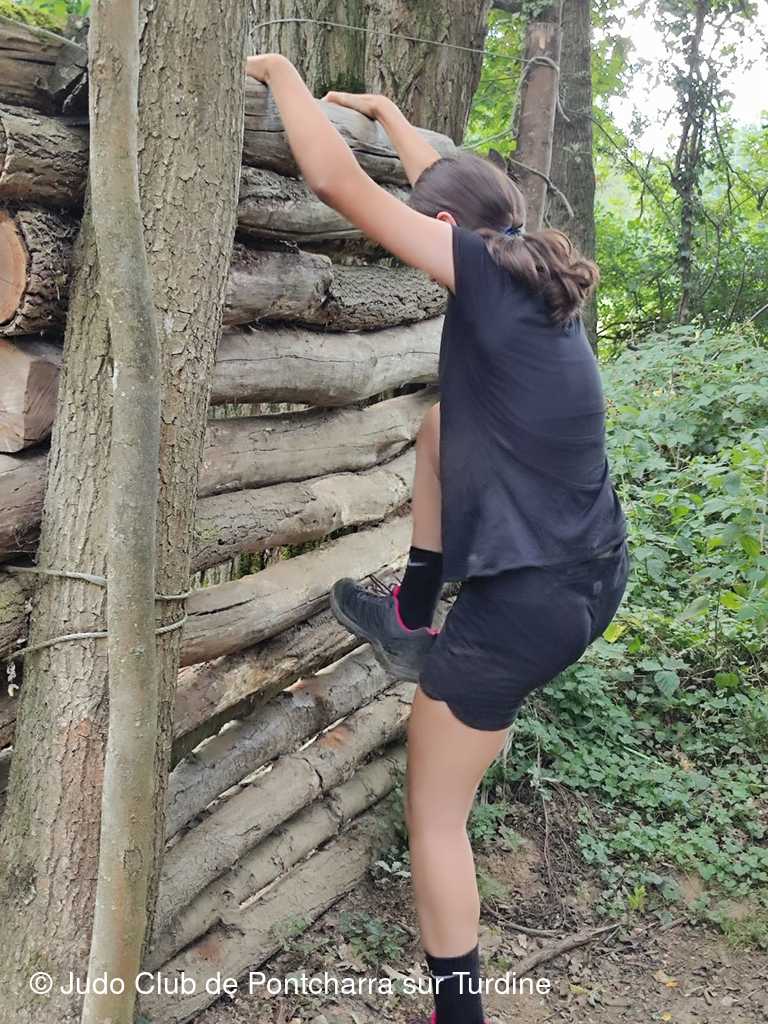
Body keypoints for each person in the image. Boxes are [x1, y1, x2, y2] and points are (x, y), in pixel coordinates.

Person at [245, 53, 629, 1024]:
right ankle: (414, 612)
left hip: (527, 608)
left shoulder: (484, 273)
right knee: (439, 426)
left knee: (435, 815)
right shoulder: (528, 271)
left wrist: (281, 74)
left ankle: (457, 1015)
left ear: (448, 231)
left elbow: (337, 183)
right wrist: (388, 112)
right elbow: (455, 187)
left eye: (431, 225)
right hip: (591, 575)